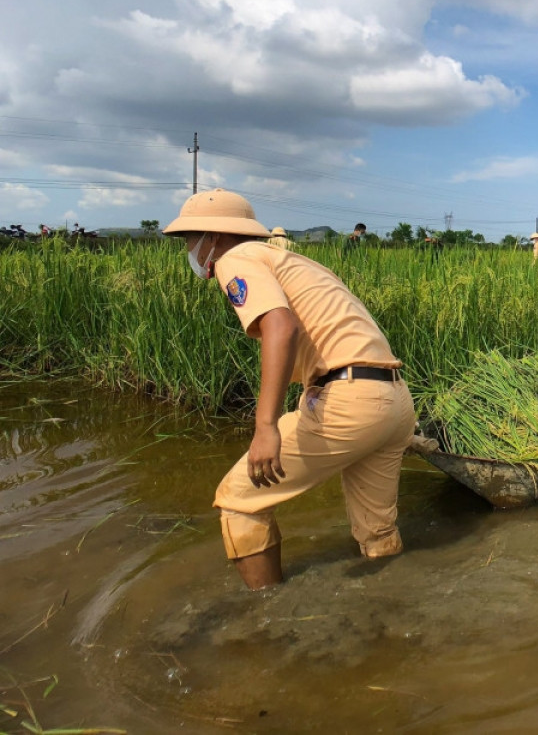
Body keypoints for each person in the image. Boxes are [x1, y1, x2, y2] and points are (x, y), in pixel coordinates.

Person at [162, 189, 415, 590]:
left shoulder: (235, 259)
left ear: (213, 237)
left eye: (190, 239)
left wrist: (267, 426)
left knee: (238, 502)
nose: (189, 249)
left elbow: (281, 326)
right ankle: (389, 609)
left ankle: (268, 623)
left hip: (350, 402)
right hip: (393, 399)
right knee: (377, 532)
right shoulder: (293, 261)